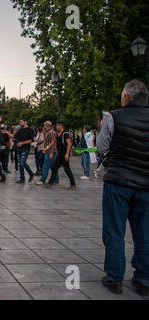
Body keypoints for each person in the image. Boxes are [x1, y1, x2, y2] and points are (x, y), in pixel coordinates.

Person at [97, 79, 149, 296]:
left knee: (114, 231)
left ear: (127, 97)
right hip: (146, 184)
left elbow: (101, 146)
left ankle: (114, 278)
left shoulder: (114, 117)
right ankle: (143, 279)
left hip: (118, 182)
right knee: (144, 232)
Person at [44, 121, 76, 189]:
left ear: (61, 126)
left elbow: (69, 144)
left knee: (67, 169)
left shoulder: (65, 134)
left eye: (57, 125)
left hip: (64, 154)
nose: (56, 127)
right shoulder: (58, 134)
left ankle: (73, 184)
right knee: (55, 168)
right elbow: (53, 142)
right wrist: (47, 148)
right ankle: (50, 183)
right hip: (59, 154)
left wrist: (67, 154)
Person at [36, 121, 59, 186]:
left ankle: (42, 180)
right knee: (53, 167)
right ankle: (56, 180)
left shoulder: (51, 132)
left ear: (46, 126)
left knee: (45, 166)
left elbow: (53, 143)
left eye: (44, 126)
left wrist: (51, 152)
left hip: (50, 152)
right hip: (49, 151)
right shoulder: (48, 132)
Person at [12, 118, 35, 183]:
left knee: (22, 163)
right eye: (20, 122)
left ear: (26, 122)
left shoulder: (30, 130)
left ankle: (31, 174)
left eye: (21, 122)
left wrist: (22, 143)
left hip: (25, 148)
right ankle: (22, 179)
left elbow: (31, 140)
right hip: (19, 149)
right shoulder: (20, 130)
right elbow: (15, 137)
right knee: (20, 164)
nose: (20, 123)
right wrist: (8, 133)